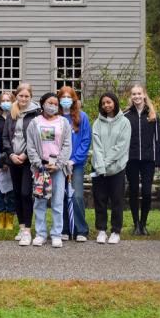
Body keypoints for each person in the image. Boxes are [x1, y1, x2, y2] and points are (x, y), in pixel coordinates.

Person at [25, 92, 72, 248]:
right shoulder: (34, 123)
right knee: (40, 201)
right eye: (49, 103)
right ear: (42, 103)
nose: (52, 106)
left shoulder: (63, 122)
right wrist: (39, 164)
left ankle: (56, 234)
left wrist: (58, 164)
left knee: (58, 202)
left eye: (55, 104)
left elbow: (67, 145)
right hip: (41, 168)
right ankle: (40, 234)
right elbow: (30, 146)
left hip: (57, 168)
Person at [2, 83, 41, 246]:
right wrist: (11, 154)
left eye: (26, 96)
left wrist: (25, 155)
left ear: (30, 97)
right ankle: (22, 226)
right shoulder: (12, 112)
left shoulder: (36, 113)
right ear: (16, 96)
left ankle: (28, 230)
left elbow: (36, 138)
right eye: (20, 96)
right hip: (13, 159)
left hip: (28, 160)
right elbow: (5, 137)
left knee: (26, 193)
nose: (23, 99)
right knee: (17, 193)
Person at [91, 92, 131, 245]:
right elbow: (97, 146)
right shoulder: (97, 123)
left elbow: (121, 146)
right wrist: (100, 165)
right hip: (99, 169)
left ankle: (115, 231)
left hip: (117, 168)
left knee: (117, 200)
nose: (106, 105)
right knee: (100, 199)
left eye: (109, 102)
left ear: (115, 102)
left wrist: (106, 162)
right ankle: (101, 230)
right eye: (103, 103)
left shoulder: (124, 123)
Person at [124, 84, 160, 235]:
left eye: (139, 93)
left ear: (144, 95)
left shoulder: (152, 115)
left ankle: (144, 224)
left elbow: (158, 139)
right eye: (134, 94)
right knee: (133, 191)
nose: (137, 96)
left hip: (148, 160)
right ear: (131, 97)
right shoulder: (125, 115)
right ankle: (135, 224)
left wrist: (158, 160)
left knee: (146, 192)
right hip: (131, 159)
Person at [58, 85, 91, 242]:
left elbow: (85, 141)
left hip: (75, 165)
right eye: (62, 97)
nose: (65, 100)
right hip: (58, 164)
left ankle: (81, 230)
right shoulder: (56, 117)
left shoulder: (82, 117)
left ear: (73, 99)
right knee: (61, 196)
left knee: (76, 196)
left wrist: (74, 159)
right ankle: (64, 228)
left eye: (68, 97)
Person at [0, 91, 15, 230]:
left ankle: (10, 221)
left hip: (12, 160)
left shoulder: (15, 119)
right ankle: (1, 221)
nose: (6, 103)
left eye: (8, 100)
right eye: (3, 100)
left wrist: (8, 160)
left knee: (11, 192)